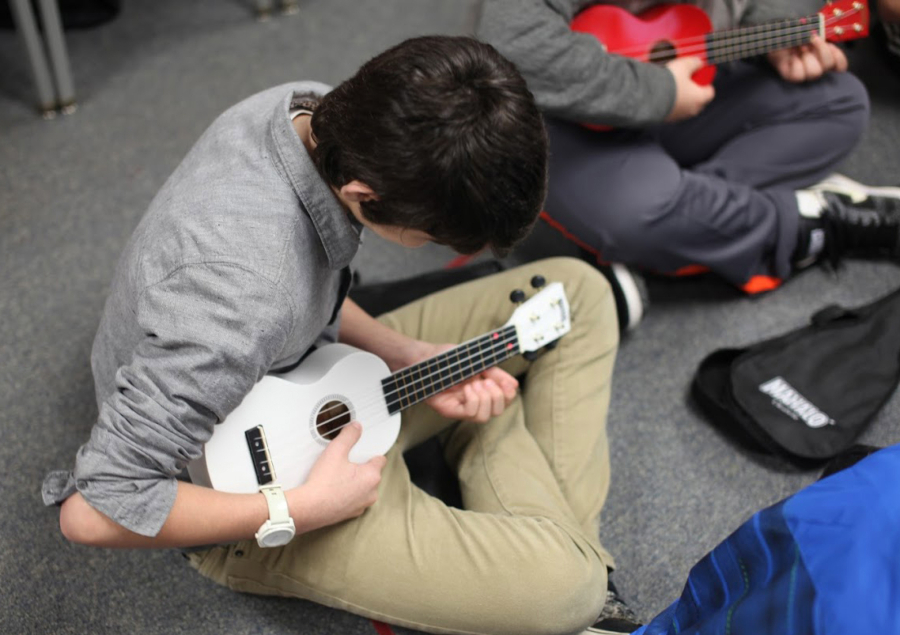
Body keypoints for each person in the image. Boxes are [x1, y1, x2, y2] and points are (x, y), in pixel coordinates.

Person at [42, 36, 639, 635]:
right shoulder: (239, 297)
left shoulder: (314, 112)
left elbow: (301, 295)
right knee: (570, 589)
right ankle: (573, 571)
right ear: (365, 198)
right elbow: (92, 511)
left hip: (307, 365)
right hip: (252, 485)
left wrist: (409, 354)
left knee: (576, 294)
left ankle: (505, 474)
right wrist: (303, 509)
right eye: (434, 239)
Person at [478, 0, 900, 330]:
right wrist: (657, 93)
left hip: (686, 81)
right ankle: (810, 223)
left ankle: (688, 228)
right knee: (634, 214)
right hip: (560, 115)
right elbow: (514, 45)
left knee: (841, 103)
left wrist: (771, 27)